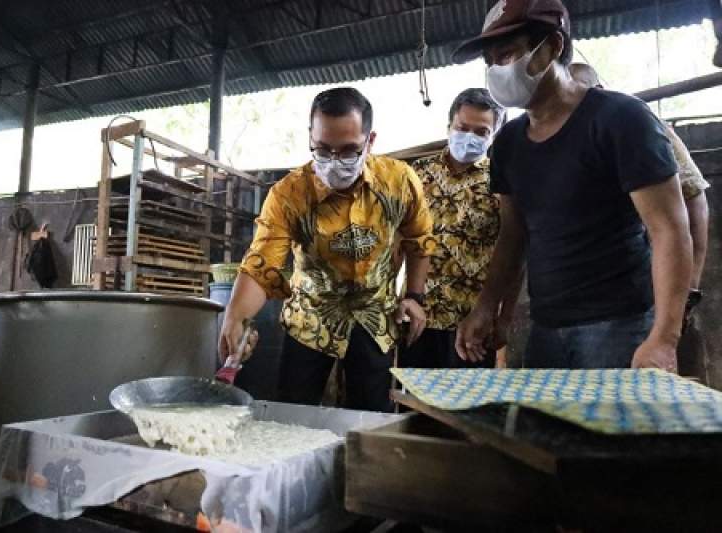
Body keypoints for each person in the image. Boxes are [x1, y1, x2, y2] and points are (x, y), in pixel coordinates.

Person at [452, 0, 692, 370]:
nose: (496, 70)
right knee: (543, 429)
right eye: (490, 61)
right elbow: (513, 236)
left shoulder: (621, 120)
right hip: (546, 328)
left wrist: (664, 337)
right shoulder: (509, 143)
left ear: (552, 47)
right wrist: (488, 307)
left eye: (507, 55)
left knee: (609, 429)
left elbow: (669, 229)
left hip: (620, 326)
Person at [218, 87, 435, 412]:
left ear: (370, 140)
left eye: (349, 151)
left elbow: (421, 241)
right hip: (311, 318)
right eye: (322, 150)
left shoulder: (399, 182)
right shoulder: (289, 194)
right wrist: (237, 317)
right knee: (294, 416)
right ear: (310, 137)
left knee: (368, 419)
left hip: (374, 318)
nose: (334, 162)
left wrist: (414, 297)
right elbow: (262, 266)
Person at [570, 62, 711, 377]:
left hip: (643, 291)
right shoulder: (561, 135)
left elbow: (694, 199)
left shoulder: (637, 123)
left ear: (599, 93)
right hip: (585, 298)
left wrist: (690, 289)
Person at [398, 88, 515, 370]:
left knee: (464, 411)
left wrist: (505, 317)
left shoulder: (503, 182)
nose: (469, 137)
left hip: (473, 325)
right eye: (463, 128)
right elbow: (398, 239)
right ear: (449, 125)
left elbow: (513, 252)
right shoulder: (417, 174)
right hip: (417, 316)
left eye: (481, 132)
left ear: (494, 135)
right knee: (413, 407)